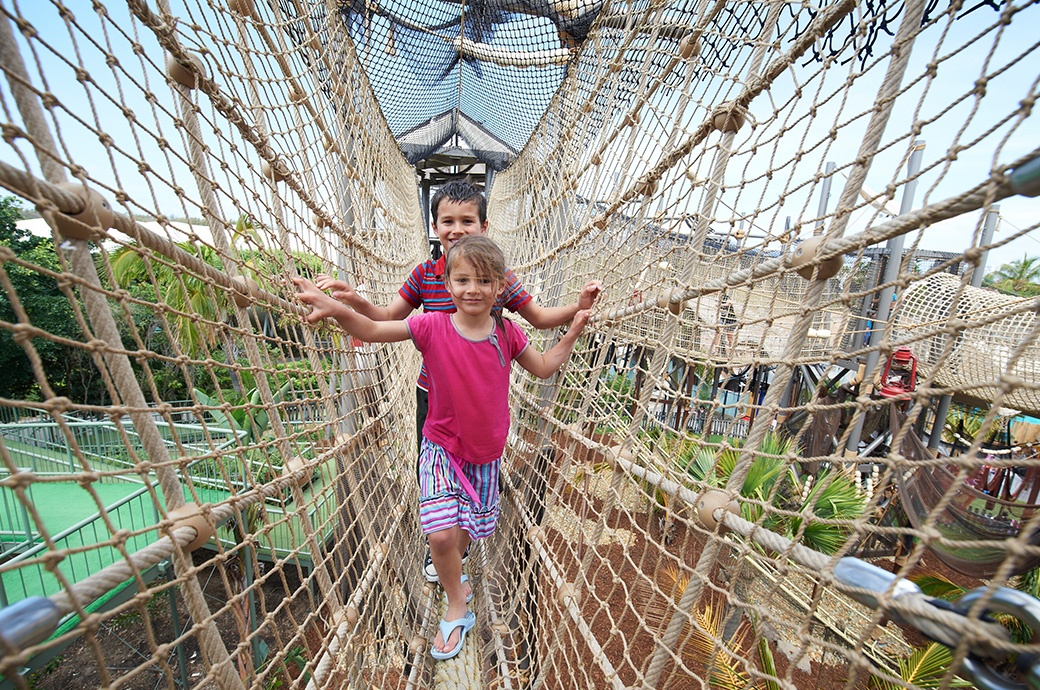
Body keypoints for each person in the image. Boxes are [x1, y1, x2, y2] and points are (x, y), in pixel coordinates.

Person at [295, 235, 592, 660]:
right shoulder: (431, 326)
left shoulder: (507, 332)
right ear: (447, 284)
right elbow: (376, 329)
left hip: (486, 458)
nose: (474, 289)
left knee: (464, 534)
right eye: (463, 279)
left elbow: (544, 367)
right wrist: (340, 310)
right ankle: (457, 603)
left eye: (485, 281)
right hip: (439, 449)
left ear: (501, 288)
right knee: (439, 535)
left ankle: (455, 569)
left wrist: (575, 331)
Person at [314, 179, 602, 582]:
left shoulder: (496, 275)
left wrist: (577, 311)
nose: (457, 228)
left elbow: (537, 319)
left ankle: (457, 536)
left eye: (467, 220)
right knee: (432, 471)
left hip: (481, 400)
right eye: (447, 220)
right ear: (435, 228)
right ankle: (440, 541)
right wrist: (351, 301)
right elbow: (386, 318)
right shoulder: (427, 275)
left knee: (475, 469)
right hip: (432, 394)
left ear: (484, 226)